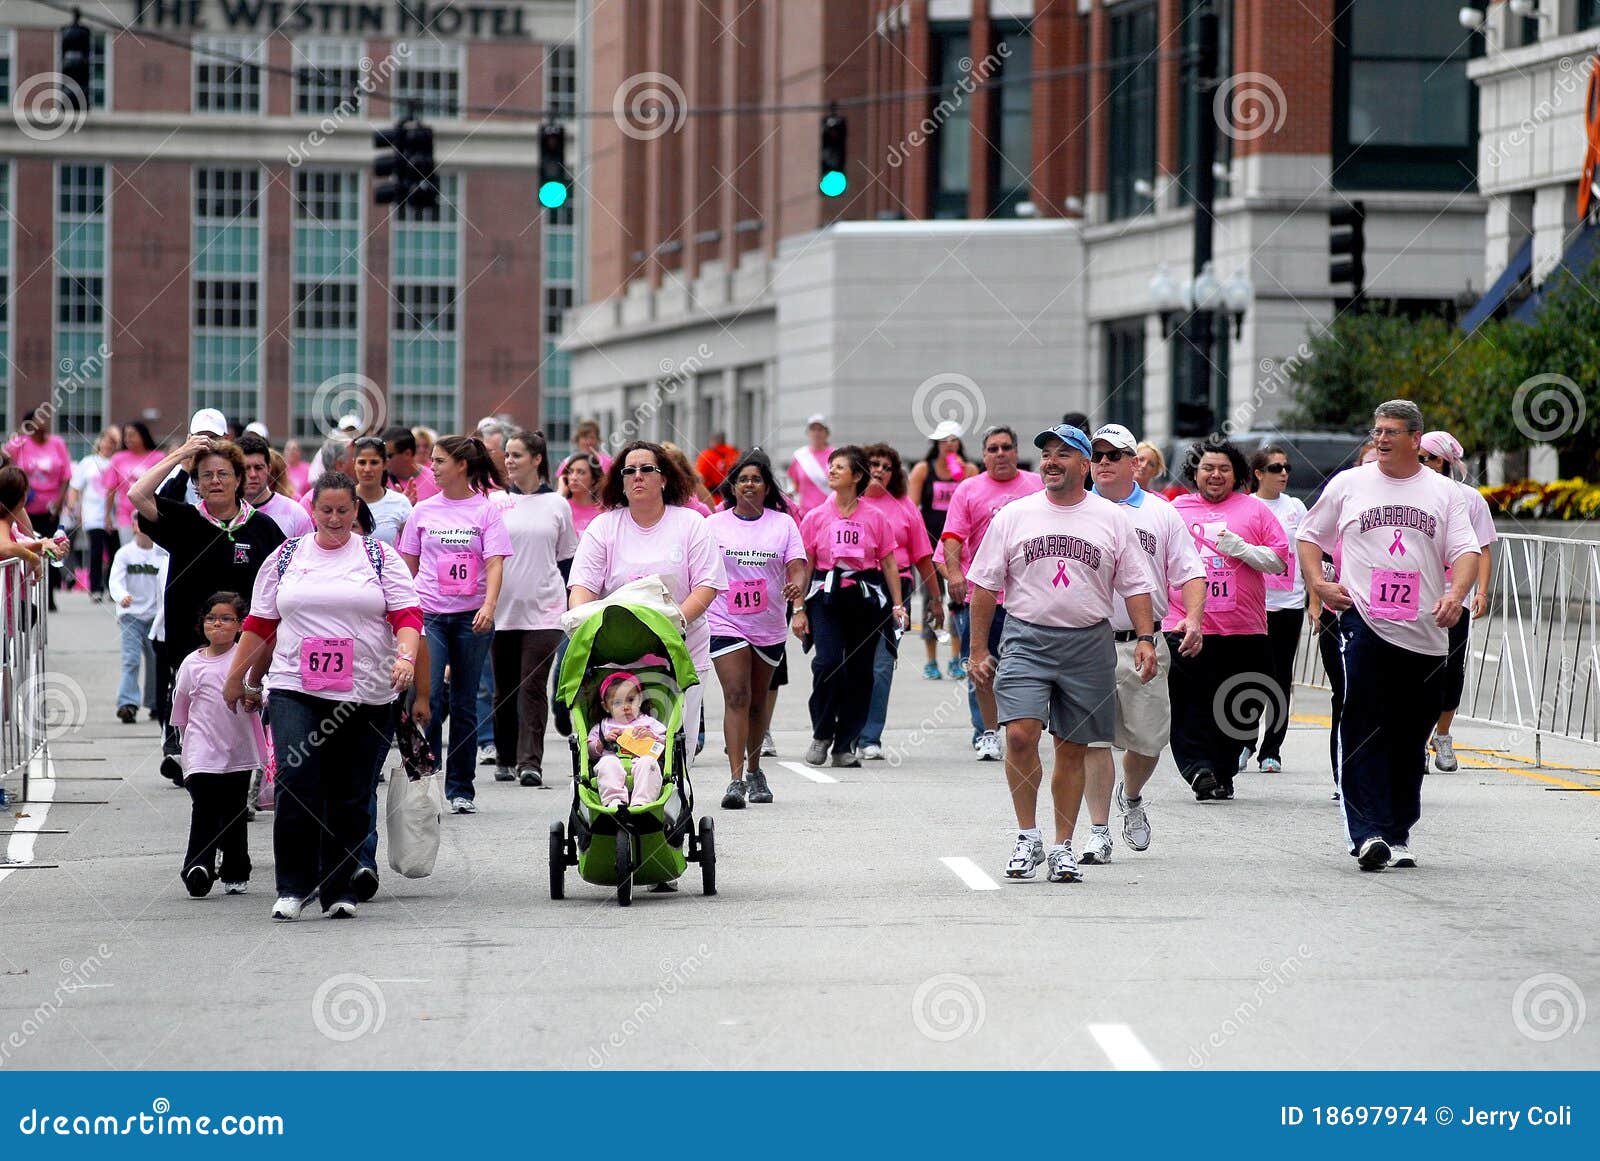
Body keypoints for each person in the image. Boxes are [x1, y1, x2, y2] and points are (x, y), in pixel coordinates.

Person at [225, 471, 424, 918]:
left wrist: (406, 658)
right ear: (312, 511)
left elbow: (408, 614)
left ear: (356, 511)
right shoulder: (286, 556)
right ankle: (292, 887)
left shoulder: (378, 556)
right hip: (297, 686)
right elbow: (260, 623)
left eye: (343, 510)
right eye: (326, 510)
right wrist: (236, 677)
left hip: (366, 692)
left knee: (350, 792)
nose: (334, 519)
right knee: (297, 781)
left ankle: (339, 891)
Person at [967, 423, 1157, 884]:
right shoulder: (1015, 515)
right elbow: (986, 585)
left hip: (1088, 642)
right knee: (1019, 735)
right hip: (1026, 638)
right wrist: (976, 650)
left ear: (1085, 465)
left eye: (1063, 454)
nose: (1051, 461)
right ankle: (1026, 835)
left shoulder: (1110, 518)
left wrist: (1147, 638)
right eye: (1046, 454)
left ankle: (1061, 847)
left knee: (1072, 747)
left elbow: (1134, 585)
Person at [1297, 401, 1480, 871]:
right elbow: (1309, 535)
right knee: (1363, 722)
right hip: (1364, 621)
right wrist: (1318, 583)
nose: (1380, 439)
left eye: (1391, 432)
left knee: (1410, 733)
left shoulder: (1443, 493)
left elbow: (1466, 551)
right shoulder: (1349, 484)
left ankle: (1398, 830)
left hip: (1426, 631)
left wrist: (1456, 594)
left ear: (1416, 439)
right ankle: (1367, 832)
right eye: (1376, 430)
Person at [128, 436, 286, 785]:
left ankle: (245, 781)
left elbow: (284, 583)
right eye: (206, 475)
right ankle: (204, 780)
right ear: (196, 484)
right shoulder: (183, 520)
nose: (215, 481)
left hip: (247, 644)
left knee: (243, 714)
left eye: (224, 474)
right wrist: (183, 454)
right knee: (204, 721)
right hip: (192, 644)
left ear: (239, 479)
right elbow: (137, 494)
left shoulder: (263, 528)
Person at [1080, 424, 1204, 863]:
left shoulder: (1161, 513)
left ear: (1136, 464)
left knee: (1148, 742)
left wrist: (1191, 617)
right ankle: (1097, 832)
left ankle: (1130, 796)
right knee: (1093, 741)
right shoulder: (1074, 510)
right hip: (1086, 642)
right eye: (1097, 455)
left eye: (1116, 455)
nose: (1105, 463)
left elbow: (1189, 571)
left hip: (1143, 642)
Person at [569, 441, 727, 770]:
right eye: (629, 471)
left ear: (664, 478)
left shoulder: (691, 523)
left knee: (672, 745)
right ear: (620, 481)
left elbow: (706, 585)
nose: (637, 476)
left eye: (647, 469)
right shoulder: (603, 527)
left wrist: (671, 625)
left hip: (681, 647)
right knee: (618, 742)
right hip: (617, 650)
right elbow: (581, 590)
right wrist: (584, 626)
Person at [1165, 439, 1288, 801]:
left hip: (1244, 629)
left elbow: (1280, 561)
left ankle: (1223, 769)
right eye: (1207, 468)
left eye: (1223, 469)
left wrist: (1241, 549)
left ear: (1236, 475)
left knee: (1241, 706)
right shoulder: (1177, 510)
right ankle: (1197, 768)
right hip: (1186, 624)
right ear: (1195, 473)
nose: (1215, 475)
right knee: (1190, 703)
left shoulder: (1254, 510)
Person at [397, 436, 512, 815]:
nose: (433, 467)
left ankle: (461, 787)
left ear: (461, 465)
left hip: (471, 618)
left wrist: (489, 606)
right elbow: (406, 566)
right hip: (429, 614)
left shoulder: (486, 511)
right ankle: (424, 780)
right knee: (427, 697)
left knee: (464, 702)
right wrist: (402, 614)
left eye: (440, 460)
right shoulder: (423, 511)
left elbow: (495, 562)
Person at [793, 445, 908, 768]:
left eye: (839, 467)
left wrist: (897, 605)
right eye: (830, 466)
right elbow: (805, 565)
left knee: (861, 673)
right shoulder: (815, 517)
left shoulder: (876, 517)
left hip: (865, 598)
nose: (831, 471)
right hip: (826, 597)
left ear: (857, 476)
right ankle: (822, 732)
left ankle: (845, 744)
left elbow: (888, 563)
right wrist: (799, 609)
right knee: (827, 663)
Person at [706, 451, 806, 808]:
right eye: (742, 479)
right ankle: (735, 781)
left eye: (756, 479)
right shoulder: (714, 525)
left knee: (757, 702)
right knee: (736, 694)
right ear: (732, 486)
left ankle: (755, 769)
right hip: (724, 620)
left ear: (767, 487)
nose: (749, 484)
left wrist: (798, 592)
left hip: (768, 624)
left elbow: (797, 566)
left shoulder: (783, 524)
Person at [941, 425, 1045, 760]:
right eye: (992, 449)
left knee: (1030, 668)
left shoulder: (1036, 485)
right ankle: (988, 732)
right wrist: (955, 574)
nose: (1000, 454)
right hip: (985, 596)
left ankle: (1025, 726)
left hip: (1030, 598)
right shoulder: (969, 489)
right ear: (983, 455)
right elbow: (953, 537)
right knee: (982, 665)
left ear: (1016, 451)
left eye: (1006, 447)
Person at [490, 430, 575, 788]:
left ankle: (530, 762)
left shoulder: (558, 504)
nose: (509, 461)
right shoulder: (494, 503)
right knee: (503, 688)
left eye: (517, 455)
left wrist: (571, 608)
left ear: (537, 460)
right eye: (507, 455)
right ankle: (505, 756)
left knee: (532, 684)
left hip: (545, 608)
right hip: (501, 610)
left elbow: (567, 559)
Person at [171, 592, 264, 898]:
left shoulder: (248, 659)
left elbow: (265, 693)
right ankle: (198, 865)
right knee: (206, 806)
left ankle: (236, 868)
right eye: (212, 618)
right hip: (200, 749)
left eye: (226, 619)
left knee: (234, 808)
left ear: (240, 625)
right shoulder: (192, 663)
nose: (218, 625)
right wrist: (186, 744)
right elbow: (181, 707)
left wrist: (257, 698)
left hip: (238, 748)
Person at [1418, 430, 1497, 773]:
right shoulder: (1410, 495)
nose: (1424, 465)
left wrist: (1480, 591)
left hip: (1456, 593)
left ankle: (1443, 735)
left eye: (1430, 459)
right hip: (1416, 593)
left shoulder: (1469, 499)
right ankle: (1416, 739)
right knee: (1419, 667)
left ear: (1446, 462)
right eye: (1419, 458)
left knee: (1451, 667)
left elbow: (1483, 548)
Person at [858, 442, 941, 760]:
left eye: (885, 466)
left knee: (881, 665)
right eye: (872, 464)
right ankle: (846, 730)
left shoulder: (905, 506)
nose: (878, 470)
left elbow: (923, 558)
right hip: (856, 587)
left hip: (897, 588)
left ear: (894, 474)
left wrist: (935, 600)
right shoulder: (847, 504)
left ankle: (869, 737)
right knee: (851, 662)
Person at [1246, 445, 1307, 774]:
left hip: (1289, 603)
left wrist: (1316, 598)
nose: (1283, 473)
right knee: (1252, 674)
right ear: (1258, 474)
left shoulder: (1296, 507)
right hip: (1253, 605)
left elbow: (1310, 551)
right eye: (1274, 468)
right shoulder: (1247, 506)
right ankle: (1243, 741)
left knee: (1280, 677)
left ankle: (1272, 749)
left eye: (1286, 467)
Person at [907, 420, 979, 681]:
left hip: (959, 545)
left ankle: (957, 658)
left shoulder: (969, 469)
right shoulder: (923, 470)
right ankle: (930, 658)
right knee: (932, 600)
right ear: (936, 443)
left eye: (954, 439)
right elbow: (912, 508)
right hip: (929, 545)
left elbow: (975, 502)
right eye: (944, 439)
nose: (950, 443)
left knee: (959, 600)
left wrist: (960, 474)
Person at [4, 408, 74, 610]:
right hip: (24, 506)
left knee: (51, 547)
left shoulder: (57, 443)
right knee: (31, 544)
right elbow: (6, 461)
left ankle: (49, 595)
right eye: (38, 420)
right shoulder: (21, 443)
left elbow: (66, 474)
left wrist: (60, 501)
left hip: (51, 507)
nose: (43, 423)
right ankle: (26, 596)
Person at [108, 525, 167, 724]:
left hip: (154, 616)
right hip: (130, 616)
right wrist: (122, 596)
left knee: (155, 660)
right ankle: (127, 704)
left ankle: (155, 702)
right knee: (130, 659)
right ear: (134, 527)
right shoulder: (125, 554)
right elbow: (115, 580)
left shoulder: (161, 554)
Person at [589, 672, 669, 808]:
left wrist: (652, 737)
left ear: (640, 699)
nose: (626, 707)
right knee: (607, 762)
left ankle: (642, 803)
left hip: (641, 762)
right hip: (614, 763)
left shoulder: (649, 722)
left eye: (631, 700)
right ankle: (615, 801)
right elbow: (589, 751)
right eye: (618, 702)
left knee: (649, 763)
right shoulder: (603, 726)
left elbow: (667, 743)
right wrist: (602, 742)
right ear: (606, 706)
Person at [68, 426, 121, 602]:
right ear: (100, 442)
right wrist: (72, 505)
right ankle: (96, 588)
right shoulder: (88, 462)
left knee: (114, 551)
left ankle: (111, 587)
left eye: (112, 442)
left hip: (115, 515)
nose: (108, 445)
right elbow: (76, 486)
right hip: (93, 514)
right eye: (106, 441)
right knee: (96, 550)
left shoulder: (117, 461)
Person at [237, 433, 314, 538]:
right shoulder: (222, 512)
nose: (253, 474)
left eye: (258, 467)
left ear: (269, 469)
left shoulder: (295, 513)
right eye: (246, 468)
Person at [101, 421, 163, 542]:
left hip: (150, 512)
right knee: (128, 546)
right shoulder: (118, 458)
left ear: (143, 435)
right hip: (124, 513)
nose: (128, 439)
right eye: (126, 435)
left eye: (132, 435)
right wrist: (107, 515)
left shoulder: (158, 457)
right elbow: (110, 489)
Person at [350, 436, 413, 546]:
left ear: (385, 464)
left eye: (374, 462)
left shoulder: (400, 502)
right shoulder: (343, 500)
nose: (367, 469)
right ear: (354, 463)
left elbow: (410, 549)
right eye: (362, 462)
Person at [786, 414, 834, 518]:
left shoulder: (836, 455)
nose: (816, 433)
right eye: (813, 429)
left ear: (827, 433)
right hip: (804, 514)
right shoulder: (800, 455)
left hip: (829, 514)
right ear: (808, 433)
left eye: (820, 429)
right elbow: (794, 485)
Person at [382, 426, 439, 505]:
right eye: (381, 455)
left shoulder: (435, 480)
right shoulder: (378, 481)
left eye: (388, 455)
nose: (383, 460)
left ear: (407, 454)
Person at [661, 442, 716, 512]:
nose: (668, 466)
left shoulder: (693, 483)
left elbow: (711, 509)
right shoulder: (654, 483)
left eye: (671, 461)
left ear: (680, 464)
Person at [562, 451, 605, 537]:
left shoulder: (604, 512)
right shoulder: (561, 508)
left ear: (593, 479)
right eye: (570, 472)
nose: (574, 477)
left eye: (581, 472)